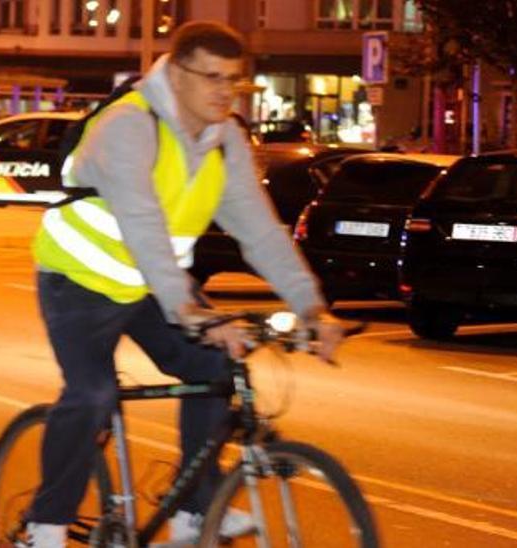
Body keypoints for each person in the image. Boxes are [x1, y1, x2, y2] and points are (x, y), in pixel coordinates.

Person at [23, 22, 345, 546]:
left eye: (234, 80)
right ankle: (47, 523)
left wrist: (311, 307)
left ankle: (194, 511)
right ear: (175, 73)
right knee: (93, 392)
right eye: (211, 77)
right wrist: (187, 308)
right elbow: (142, 221)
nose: (224, 90)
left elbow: (259, 230)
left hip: (151, 288)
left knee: (218, 368)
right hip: (79, 281)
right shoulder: (128, 125)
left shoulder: (225, 140)